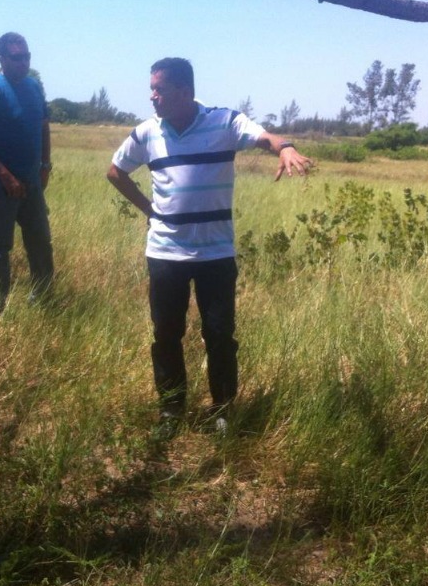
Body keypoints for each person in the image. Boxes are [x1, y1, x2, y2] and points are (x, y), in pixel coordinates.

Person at [107, 57, 313, 438]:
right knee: (166, 334)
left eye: (160, 90)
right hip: (166, 253)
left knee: (219, 335)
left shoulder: (224, 122)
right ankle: (170, 411)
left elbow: (264, 137)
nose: (152, 97)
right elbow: (115, 172)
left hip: (216, 254)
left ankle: (222, 411)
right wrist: (149, 211)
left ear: (185, 92)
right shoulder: (146, 132)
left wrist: (285, 146)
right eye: (151, 88)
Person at [0, 32, 54, 310]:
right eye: (16, 57)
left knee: (40, 241)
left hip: (31, 179)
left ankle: (42, 299)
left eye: (27, 56)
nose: (23, 62)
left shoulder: (34, 87)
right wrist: (6, 177)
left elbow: (43, 126)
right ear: (2, 60)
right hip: (0, 182)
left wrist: (45, 165)